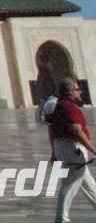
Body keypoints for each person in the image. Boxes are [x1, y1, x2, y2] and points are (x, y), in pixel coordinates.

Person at [50, 76, 96, 223]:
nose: (80, 92)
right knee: (71, 183)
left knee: (88, 183)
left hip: (62, 146)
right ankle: (62, 218)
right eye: (77, 89)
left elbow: (51, 130)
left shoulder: (59, 105)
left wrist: (54, 152)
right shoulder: (69, 107)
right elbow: (77, 131)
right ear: (69, 92)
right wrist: (93, 149)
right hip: (72, 147)